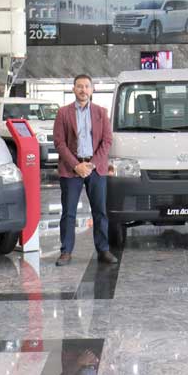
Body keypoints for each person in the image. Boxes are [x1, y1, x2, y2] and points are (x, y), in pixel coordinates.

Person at [52, 74, 116, 266]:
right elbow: (59, 143)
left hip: (95, 169)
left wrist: (92, 164)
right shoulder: (63, 113)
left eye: (87, 86)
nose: (83, 90)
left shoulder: (101, 112)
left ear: (92, 89)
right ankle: (66, 252)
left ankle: (103, 250)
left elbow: (107, 141)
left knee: (100, 212)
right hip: (71, 169)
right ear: (73, 89)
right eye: (79, 86)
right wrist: (76, 165)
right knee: (68, 213)